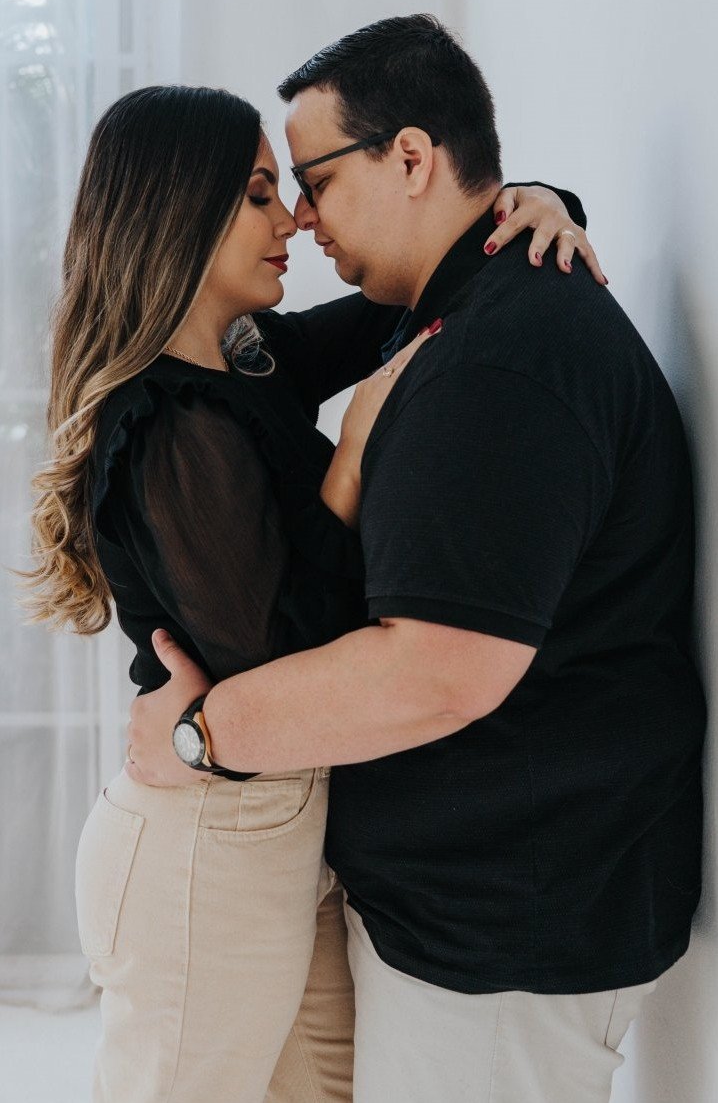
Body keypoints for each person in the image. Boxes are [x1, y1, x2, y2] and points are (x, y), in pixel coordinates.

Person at [130, 16, 706, 1103]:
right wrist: (525, 204)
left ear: (409, 157)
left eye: (311, 182)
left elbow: (437, 671)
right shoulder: (447, 312)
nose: (301, 218)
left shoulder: (496, 359)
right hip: (472, 902)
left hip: (503, 928)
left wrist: (200, 734)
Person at [24, 80, 599, 1103]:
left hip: (278, 819)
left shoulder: (250, 363)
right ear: (180, 212)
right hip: (209, 838)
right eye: (258, 195)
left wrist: (540, 202)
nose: (292, 219)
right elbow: (287, 650)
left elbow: (413, 284)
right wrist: (352, 459)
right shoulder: (169, 424)